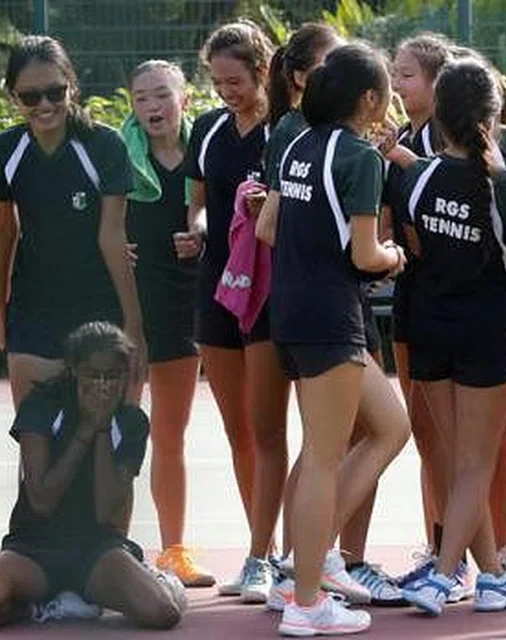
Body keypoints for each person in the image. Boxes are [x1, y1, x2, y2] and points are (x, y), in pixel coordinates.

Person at [257, 23, 402, 606]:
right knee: (323, 456)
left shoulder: (294, 144)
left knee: (390, 427)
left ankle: (307, 565)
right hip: (330, 315)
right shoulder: (360, 157)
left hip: (292, 311)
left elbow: (269, 229)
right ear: (369, 99)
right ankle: (306, 601)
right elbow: (366, 255)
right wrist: (395, 257)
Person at [397, 59, 506, 617]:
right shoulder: (504, 187)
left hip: (428, 325)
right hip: (484, 329)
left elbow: (414, 244)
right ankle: (442, 574)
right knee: (475, 462)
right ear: (493, 114)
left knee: (460, 463)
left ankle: (496, 576)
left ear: (440, 111)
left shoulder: (415, 176)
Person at [0, 322, 186, 631]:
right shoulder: (42, 405)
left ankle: (142, 584)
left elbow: (107, 511)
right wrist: (86, 429)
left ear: (126, 378)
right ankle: (33, 606)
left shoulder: (131, 422)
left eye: (113, 376)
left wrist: (103, 426)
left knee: (162, 613)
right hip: (33, 547)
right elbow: (41, 501)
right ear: (74, 370)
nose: (103, 385)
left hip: (97, 549)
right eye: (93, 374)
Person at [181, 20, 291, 598]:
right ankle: (261, 552)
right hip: (218, 287)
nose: (226, 91)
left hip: (270, 293)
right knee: (237, 429)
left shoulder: (285, 130)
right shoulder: (206, 129)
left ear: (259, 71)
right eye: (218, 82)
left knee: (268, 426)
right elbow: (198, 206)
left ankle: (282, 555)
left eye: (235, 81)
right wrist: (196, 232)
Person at [0, 35, 143, 408]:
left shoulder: (105, 145)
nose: (45, 105)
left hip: (98, 309)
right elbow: (4, 230)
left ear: (72, 85)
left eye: (55, 91)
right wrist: (0, 312)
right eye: (30, 96)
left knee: (102, 446)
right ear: (12, 97)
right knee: (37, 448)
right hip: (33, 312)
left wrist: (134, 324)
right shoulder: (1, 151)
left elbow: (112, 235)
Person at [122, 59, 212, 587]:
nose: (152, 107)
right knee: (121, 431)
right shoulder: (117, 156)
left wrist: (201, 237)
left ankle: (173, 551)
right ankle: (108, 544)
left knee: (170, 435)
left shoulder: (204, 153)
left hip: (185, 305)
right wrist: (112, 247)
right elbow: (93, 221)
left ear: (183, 99)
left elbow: (231, 216)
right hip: (127, 310)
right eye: (141, 98)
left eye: (161, 95)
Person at [384, 34, 455, 595]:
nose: (397, 83)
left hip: (459, 307)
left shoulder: (460, 140)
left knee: (474, 444)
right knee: (427, 433)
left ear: (436, 79)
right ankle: (438, 547)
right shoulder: (399, 140)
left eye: (406, 74)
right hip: (414, 300)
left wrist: (411, 166)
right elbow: (391, 225)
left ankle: (476, 556)